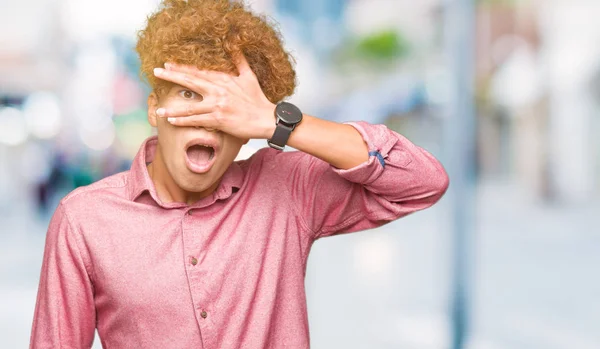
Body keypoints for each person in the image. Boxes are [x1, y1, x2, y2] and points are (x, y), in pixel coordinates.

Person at [30, 0, 449, 348]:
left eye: (228, 104)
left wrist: (281, 123)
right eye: (191, 95)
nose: (209, 117)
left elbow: (422, 181)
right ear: (154, 108)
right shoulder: (83, 220)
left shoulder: (286, 188)